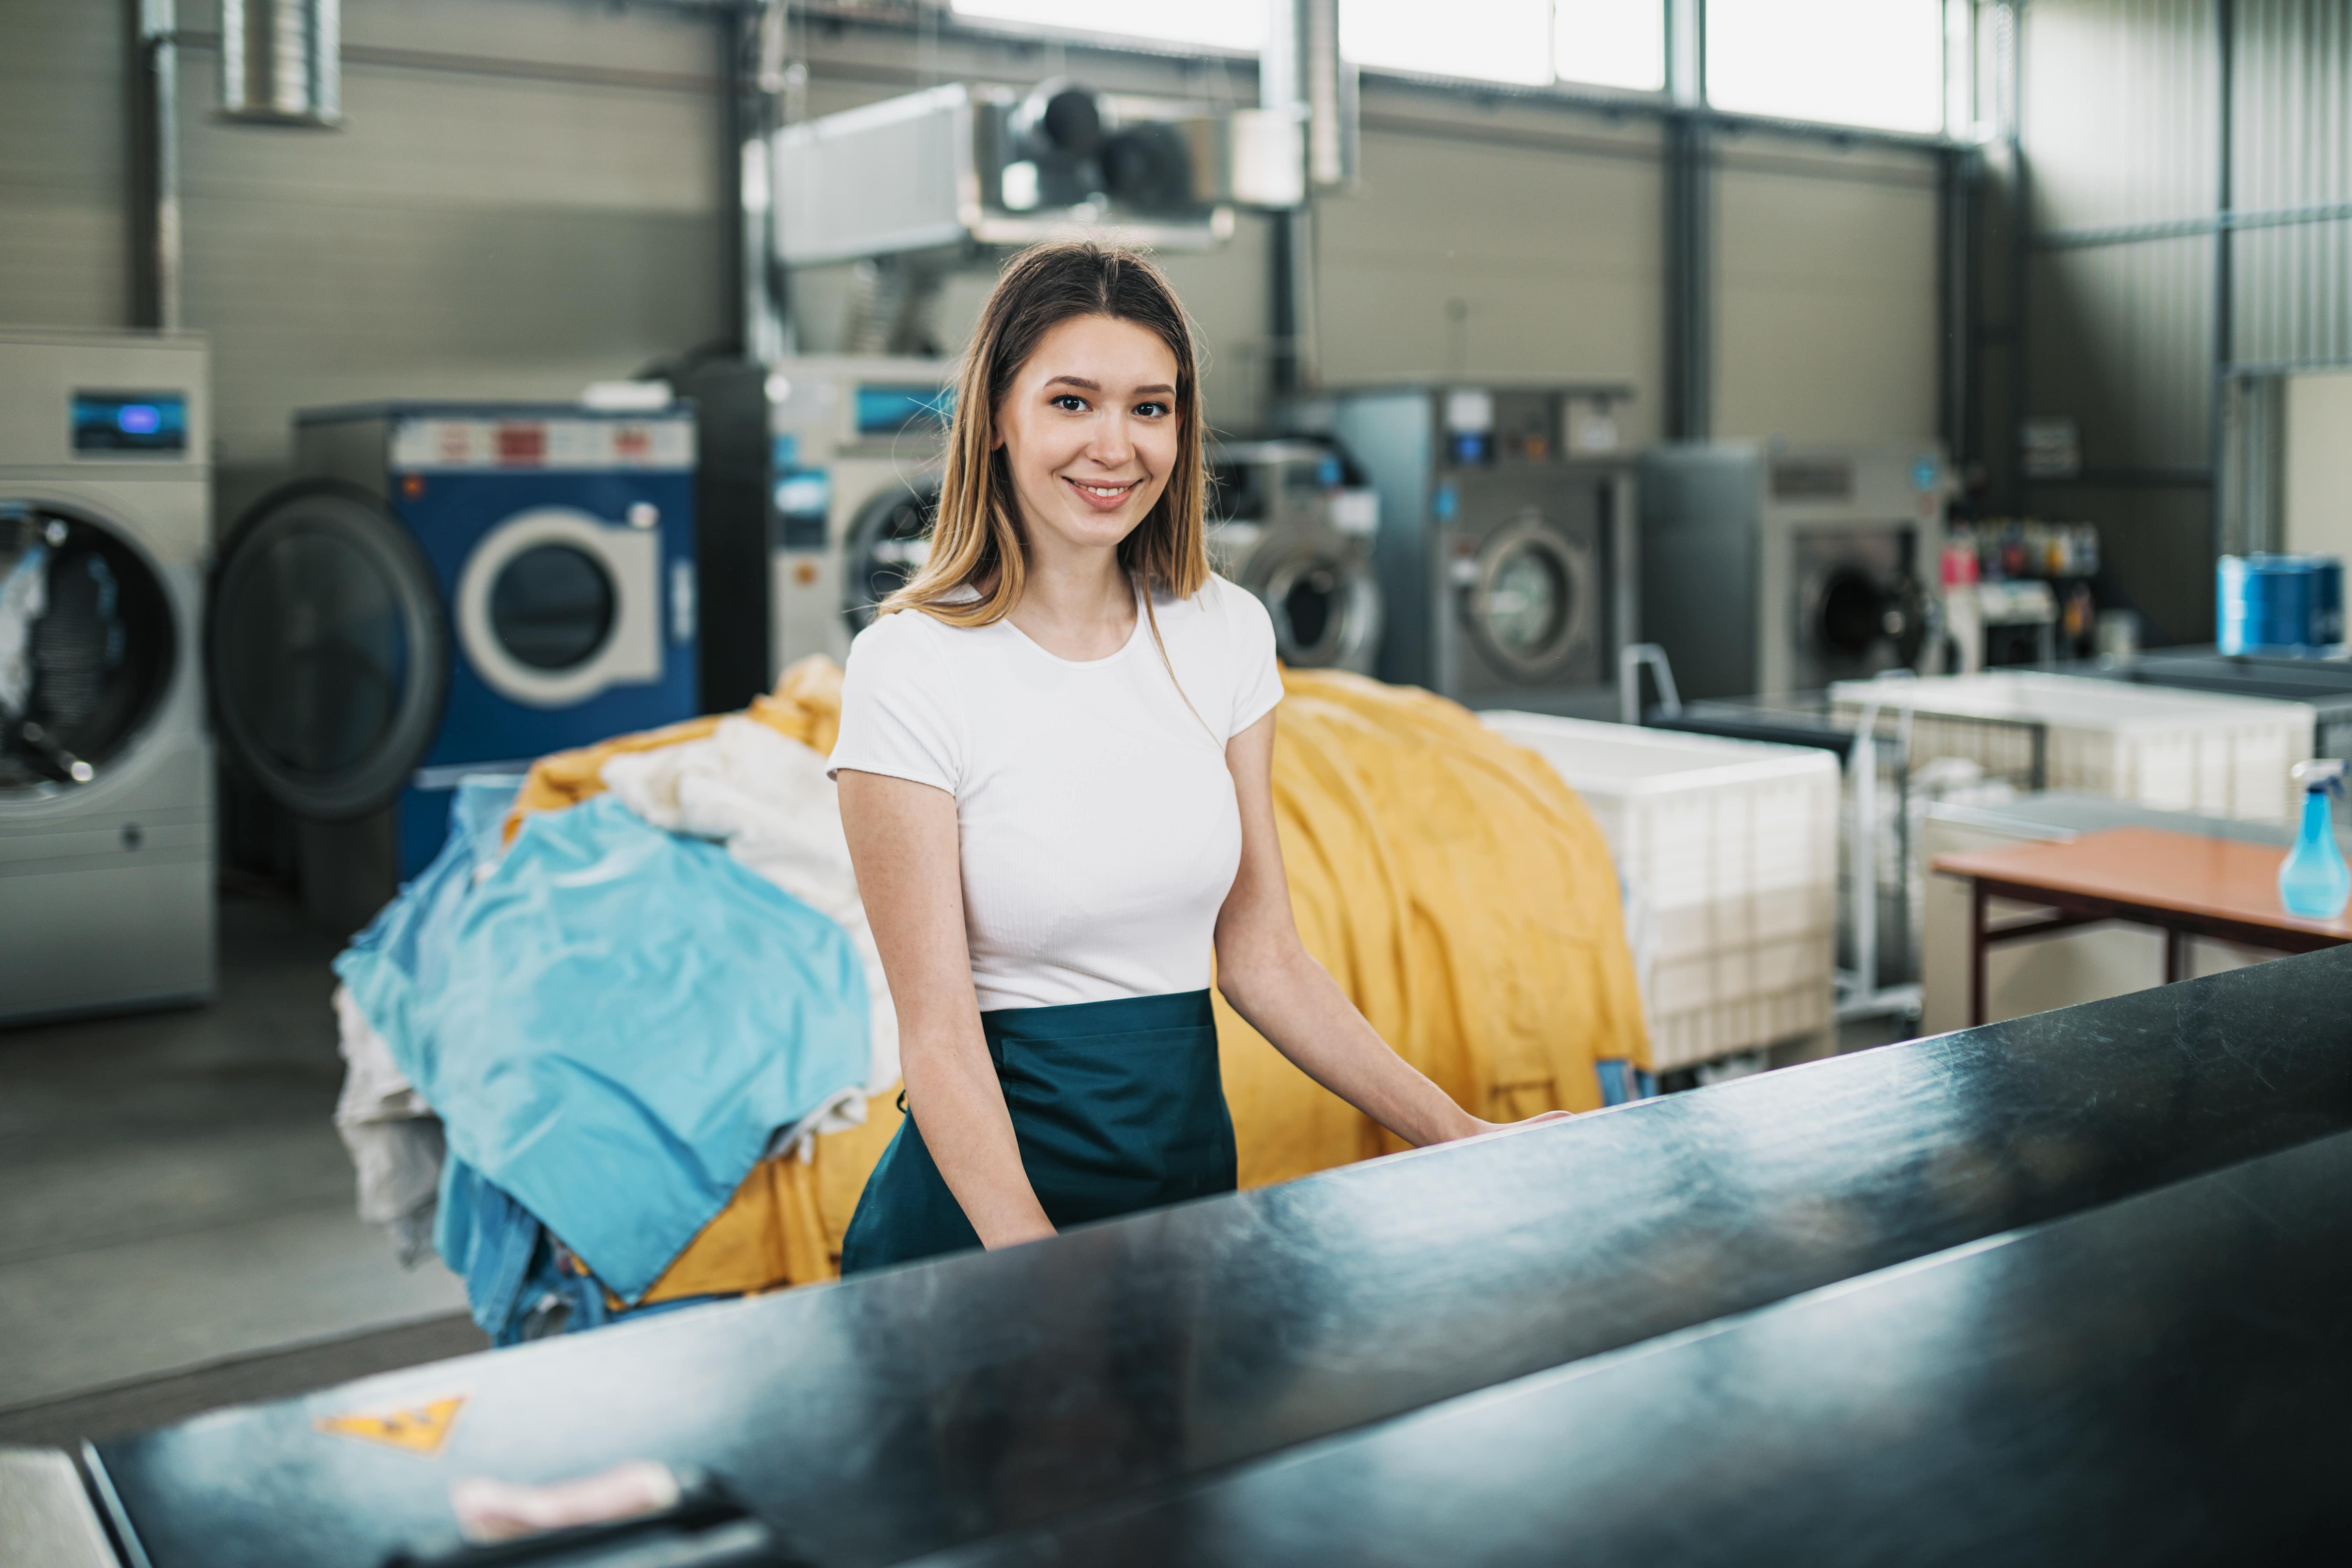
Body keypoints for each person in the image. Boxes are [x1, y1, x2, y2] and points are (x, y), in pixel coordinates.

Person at [828, 241, 1565, 1274]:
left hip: (1182, 1201)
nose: (1115, 447)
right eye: (1072, 403)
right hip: (982, 1246)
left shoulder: (1225, 633)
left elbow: (1263, 959)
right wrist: (1032, 1270)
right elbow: (941, 1040)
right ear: (997, 417)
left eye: (1151, 407)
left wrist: (1459, 1137)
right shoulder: (910, 665)